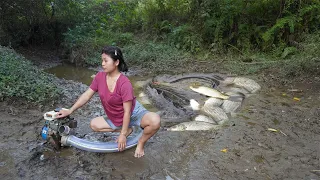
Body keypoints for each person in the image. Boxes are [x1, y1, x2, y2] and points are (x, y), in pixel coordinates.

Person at [56, 46, 160, 158]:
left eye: (106, 61)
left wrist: (122, 135)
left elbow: (127, 111)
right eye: (102, 60)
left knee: (155, 121)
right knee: (94, 125)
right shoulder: (99, 77)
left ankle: (140, 142)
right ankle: (128, 129)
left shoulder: (124, 84)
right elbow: (86, 95)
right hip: (117, 116)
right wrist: (70, 110)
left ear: (116, 62)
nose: (102, 64)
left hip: (133, 113)